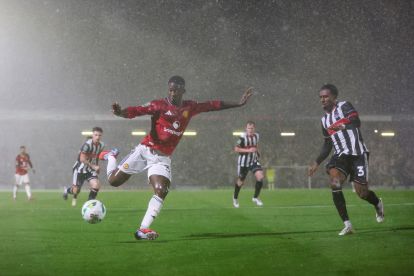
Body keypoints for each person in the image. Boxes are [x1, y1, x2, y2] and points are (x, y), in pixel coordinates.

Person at [99, 75, 253, 240]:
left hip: (162, 159)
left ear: (183, 91)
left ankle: (143, 229)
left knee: (162, 190)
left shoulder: (190, 107)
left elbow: (212, 105)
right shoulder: (158, 105)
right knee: (113, 182)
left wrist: (238, 103)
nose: (172, 93)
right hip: (145, 151)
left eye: (176, 90)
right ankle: (111, 157)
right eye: (170, 90)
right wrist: (120, 112)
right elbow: (136, 110)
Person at [308, 84, 384, 236]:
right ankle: (347, 224)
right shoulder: (324, 121)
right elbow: (327, 144)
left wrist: (341, 126)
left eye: (326, 96)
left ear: (334, 97)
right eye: (321, 97)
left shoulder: (344, 106)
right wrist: (316, 162)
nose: (323, 99)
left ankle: (377, 203)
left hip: (358, 154)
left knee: (362, 193)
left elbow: (356, 121)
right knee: (335, 182)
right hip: (340, 156)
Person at [63, 127, 105, 207]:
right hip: (79, 169)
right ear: (93, 135)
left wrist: (97, 166)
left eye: (99, 135)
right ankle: (67, 190)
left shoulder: (101, 145)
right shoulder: (87, 145)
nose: (97, 137)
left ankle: (89, 204)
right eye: (96, 135)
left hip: (90, 170)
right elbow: (82, 159)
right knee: (76, 191)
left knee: (96, 184)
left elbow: (96, 156)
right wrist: (93, 166)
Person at [232, 121, 265, 208]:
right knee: (241, 182)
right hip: (243, 162)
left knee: (260, 177)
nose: (250, 130)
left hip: (253, 161)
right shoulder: (242, 137)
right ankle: (235, 198)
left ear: (254, 128)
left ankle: (255, 197)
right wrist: (248, 150)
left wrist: (257, 152)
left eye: (252, 128)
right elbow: (236, 149)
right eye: (249, 128)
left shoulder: (256, 136)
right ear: (246, 129)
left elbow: (256, 145)